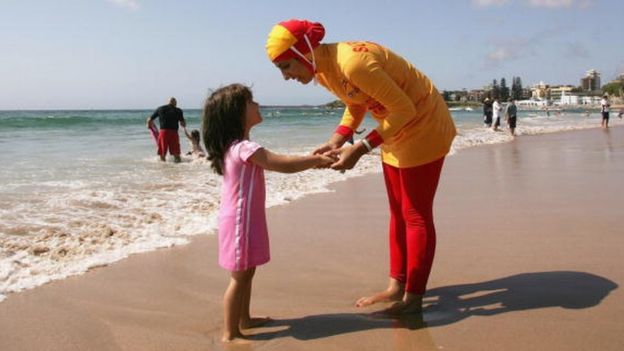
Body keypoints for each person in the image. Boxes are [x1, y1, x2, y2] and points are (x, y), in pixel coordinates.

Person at [266, 19, 457, 314]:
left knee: (415, 214)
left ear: (303, 53)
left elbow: (405, 108)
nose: (285, 77)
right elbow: (356, 102)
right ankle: (397, 286)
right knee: (397, 212)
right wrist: (337, 140)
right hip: (396, 130)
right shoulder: (325, 69)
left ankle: (413, 300)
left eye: (286, 67)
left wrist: (362, 147)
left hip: (424, 127)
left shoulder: (352, 62)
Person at [202, 84, 335, 342]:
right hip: (240, 222)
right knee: (239, 276)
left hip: (244, 220)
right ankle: (230, 333)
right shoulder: (243, 148)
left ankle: (245, 319)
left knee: (247, 271)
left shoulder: (238, 147)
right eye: (250, 102)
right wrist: (316, 160)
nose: (257, 104)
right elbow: (282, 164)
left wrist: (313, 159)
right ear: (236, 113)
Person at [146, 97, 186, 162]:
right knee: (176, 153)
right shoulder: (178, 110)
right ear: (175, 102)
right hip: (174, 133)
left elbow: (149, 119)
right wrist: (184, 122)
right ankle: (178, 167)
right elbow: (183, 124)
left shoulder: (160, 108)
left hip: (164, 132)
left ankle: (163, 168)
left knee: (162, 152)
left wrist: (148, 126)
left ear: (168, 102)